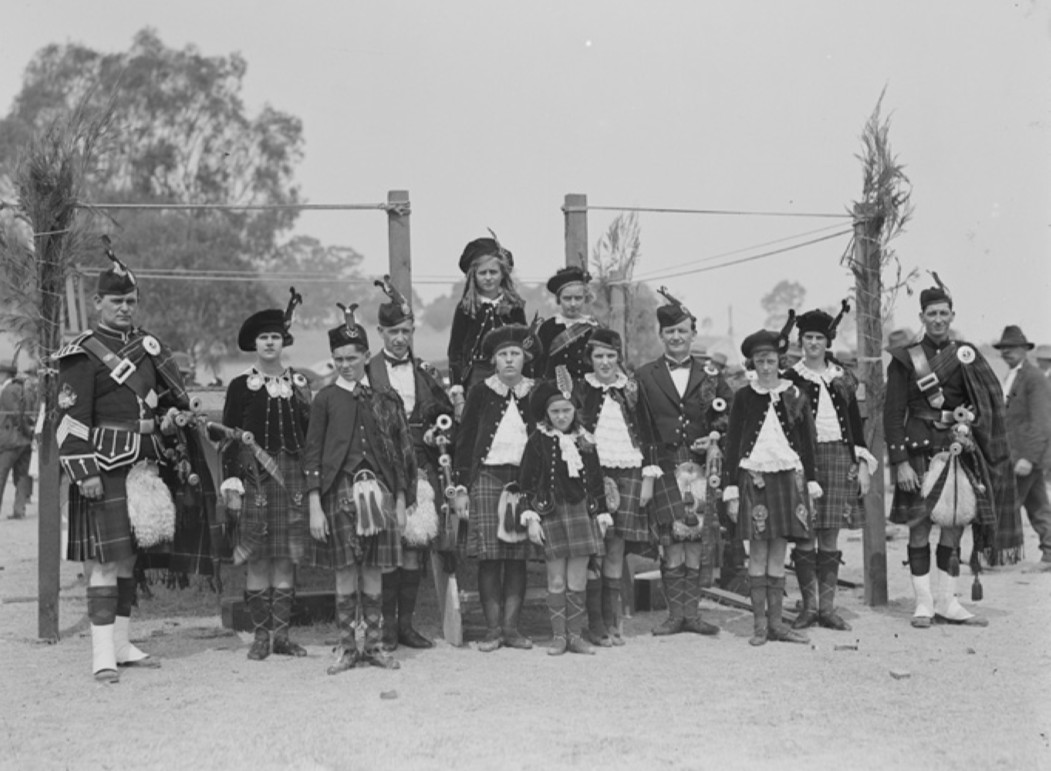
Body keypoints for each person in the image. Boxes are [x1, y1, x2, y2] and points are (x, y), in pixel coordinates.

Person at [55, 245, 217, 682]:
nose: (125, 308)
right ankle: (102, 654)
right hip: (101, 469)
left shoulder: (150, 349)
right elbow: (69, 423)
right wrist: (84, 472)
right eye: (116, 301)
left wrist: (170, 419)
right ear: (98, 304)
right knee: (106, 563)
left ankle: (123, 644)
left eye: (130, 301)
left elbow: (167, 404)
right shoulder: (82, 354)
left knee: (128, 562)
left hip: (144, 468)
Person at [885, 278, 1017, 629]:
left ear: (952, 315)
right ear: (922, 317)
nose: (939, 319)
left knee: (955, 527)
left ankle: (948, 601)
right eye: (932, 313)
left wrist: (969, 423)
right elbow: (893, 413)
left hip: (954, 450)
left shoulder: (966, 355)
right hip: (917, 452)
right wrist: (898, 462)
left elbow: (985, 404)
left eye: (944, 313)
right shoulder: (905, 359)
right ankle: (924, 603)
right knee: (918, 528)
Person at [305, 305, 417, 673]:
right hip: (338, 496)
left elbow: (401, 456)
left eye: (352, 358)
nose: (346, 365)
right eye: (338, 359)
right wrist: (314, 507)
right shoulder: (323, 400)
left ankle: (374, 647)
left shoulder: (385, 398)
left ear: (367, 356)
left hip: (380, 497)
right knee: (343, 572)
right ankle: (345, 648)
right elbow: (313, 455)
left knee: (372, 571)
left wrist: (400, 501)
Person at [636, 288, 733, 637]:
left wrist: (716, 437)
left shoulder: (711, 374)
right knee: (671, 543)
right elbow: (640, 424)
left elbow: (728, 413)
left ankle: (692, 615)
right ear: (661, 336)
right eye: (670, 332)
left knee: (695, 541)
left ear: (693, 333)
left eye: (683, 331)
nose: (677, 337)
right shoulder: (645, 375)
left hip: (698, 464)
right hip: (663, 464)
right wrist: (648, 467)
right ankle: (674, 615)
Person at [220, 290, 311, 660]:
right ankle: (261, 637)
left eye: (275, 337)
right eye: (263, 338)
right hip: (254, 477)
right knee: (257, 558)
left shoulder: (301, 385)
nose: (270, 343)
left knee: (287, 558)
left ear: (283, 341)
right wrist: (232, 484)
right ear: (254, 344)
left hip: (291, 479)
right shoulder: (241, 386)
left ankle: (283, 636)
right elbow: (228, 438)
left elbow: (310, 435)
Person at [367, 276, 454, 650]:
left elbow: (444, 416)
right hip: (382, 468)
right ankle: (384, 629)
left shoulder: (425, 373)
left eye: (405, 331)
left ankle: (406, 625)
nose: (399, 338)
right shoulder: (368, 371)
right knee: (387, 549)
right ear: (380, 332)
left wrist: (438, 434)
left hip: (419, 465)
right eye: (391, 332)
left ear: (412, 331)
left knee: (414, 548)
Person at [723, 328, 821, 646]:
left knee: (778, 549)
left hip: (789, 477)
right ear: (752, 363)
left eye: (770, 360)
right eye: (759, 361)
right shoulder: (743, 396)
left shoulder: (796, 394)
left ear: (779, 361)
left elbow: (808, 441)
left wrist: (813, 480)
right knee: (758, 550)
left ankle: (778, 624)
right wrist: (731, 488)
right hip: (755, 477)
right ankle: (759, 626)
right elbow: (734, 442)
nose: (765, 366)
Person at [783, 306, 877, 631]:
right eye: (807, 337)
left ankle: (828, 608)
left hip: (839, 456)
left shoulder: (841, 378)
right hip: (803, 461)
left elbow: (855, 425)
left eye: (819, 338)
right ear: (800, 340)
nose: (813, 343)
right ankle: (808, 608)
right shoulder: (790, 379)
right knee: (805, 532)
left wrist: (862, 465)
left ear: (827, 341)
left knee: (830, 534)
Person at [454, 324, 538, 652]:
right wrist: (460, 488)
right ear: (493, 360)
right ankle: (491, 631)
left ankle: (512, 628)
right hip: (486, 478)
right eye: (502, 355)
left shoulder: (536, 392)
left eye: (514, 354)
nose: (508, 361)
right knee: (489, 557)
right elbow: (464, 442)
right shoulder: (480, 392)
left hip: (523, 480)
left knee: (517, 557)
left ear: (524, 358)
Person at [573, 329, 657, 646]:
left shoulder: (632, 389)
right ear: (590, 359)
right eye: (599, 356)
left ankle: (613, 621)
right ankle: (593, 623)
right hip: (593, 471)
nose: (605, 362)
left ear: (618, 358)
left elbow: (647, 432)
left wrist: (648, 477)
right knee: (595, 546)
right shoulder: (582, 388)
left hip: (630, 469)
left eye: (610, 356)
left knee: (617, 549)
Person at [519, 374, 611, 655]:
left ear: (575, 411)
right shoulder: (538, 440)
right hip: (552, 513)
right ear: (547, 413)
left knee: (578, 580)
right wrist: (531, 517)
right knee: (556, 579)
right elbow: (526, 482)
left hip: (582, 513)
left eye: (566, 411)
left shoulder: (586, 441)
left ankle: (575, 636)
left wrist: (602, 514)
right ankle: (558, 636)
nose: (561, 416)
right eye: (555, 411)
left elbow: (595, 482)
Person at [993, 325, 1051, 572]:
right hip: (1016, 454)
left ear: (1025, 350)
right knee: (1038, 506)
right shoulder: (1013, 375)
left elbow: (1041, 421)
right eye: (1003, 348)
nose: (1007, 352)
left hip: (1025, 456)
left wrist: (1028, 457)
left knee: (1006, 504)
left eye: (1012, 348)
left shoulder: (1033, 377)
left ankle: (992, 555)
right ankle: (1049, 553)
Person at [446, 233, 528, 405]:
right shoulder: (465, 308)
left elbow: (525, 346)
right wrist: (457, 390)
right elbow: (455, 352)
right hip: (477, 374)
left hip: (510, 372)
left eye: (493, 272)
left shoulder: (514, 307)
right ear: (473, 276)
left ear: (503, 274)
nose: (488, 277)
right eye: (483, 273)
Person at [533, 265, 600, 379]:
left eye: (578, 298)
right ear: (559, 299)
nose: (573, 304)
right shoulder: (548, 327)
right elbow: (539, 364)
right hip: (555, 392)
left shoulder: (593, 327)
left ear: (586, 298)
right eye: (567, 298)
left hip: (587, 391)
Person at [0, 360, 34, 520]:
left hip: (11, 440)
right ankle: (19, 509)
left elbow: (15, 415)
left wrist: (24, 431)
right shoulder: (25, 388)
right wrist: (29, 433)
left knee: (1, 474)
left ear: (5, 374)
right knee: (21, 475)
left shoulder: (7, 390)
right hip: (24, 440)